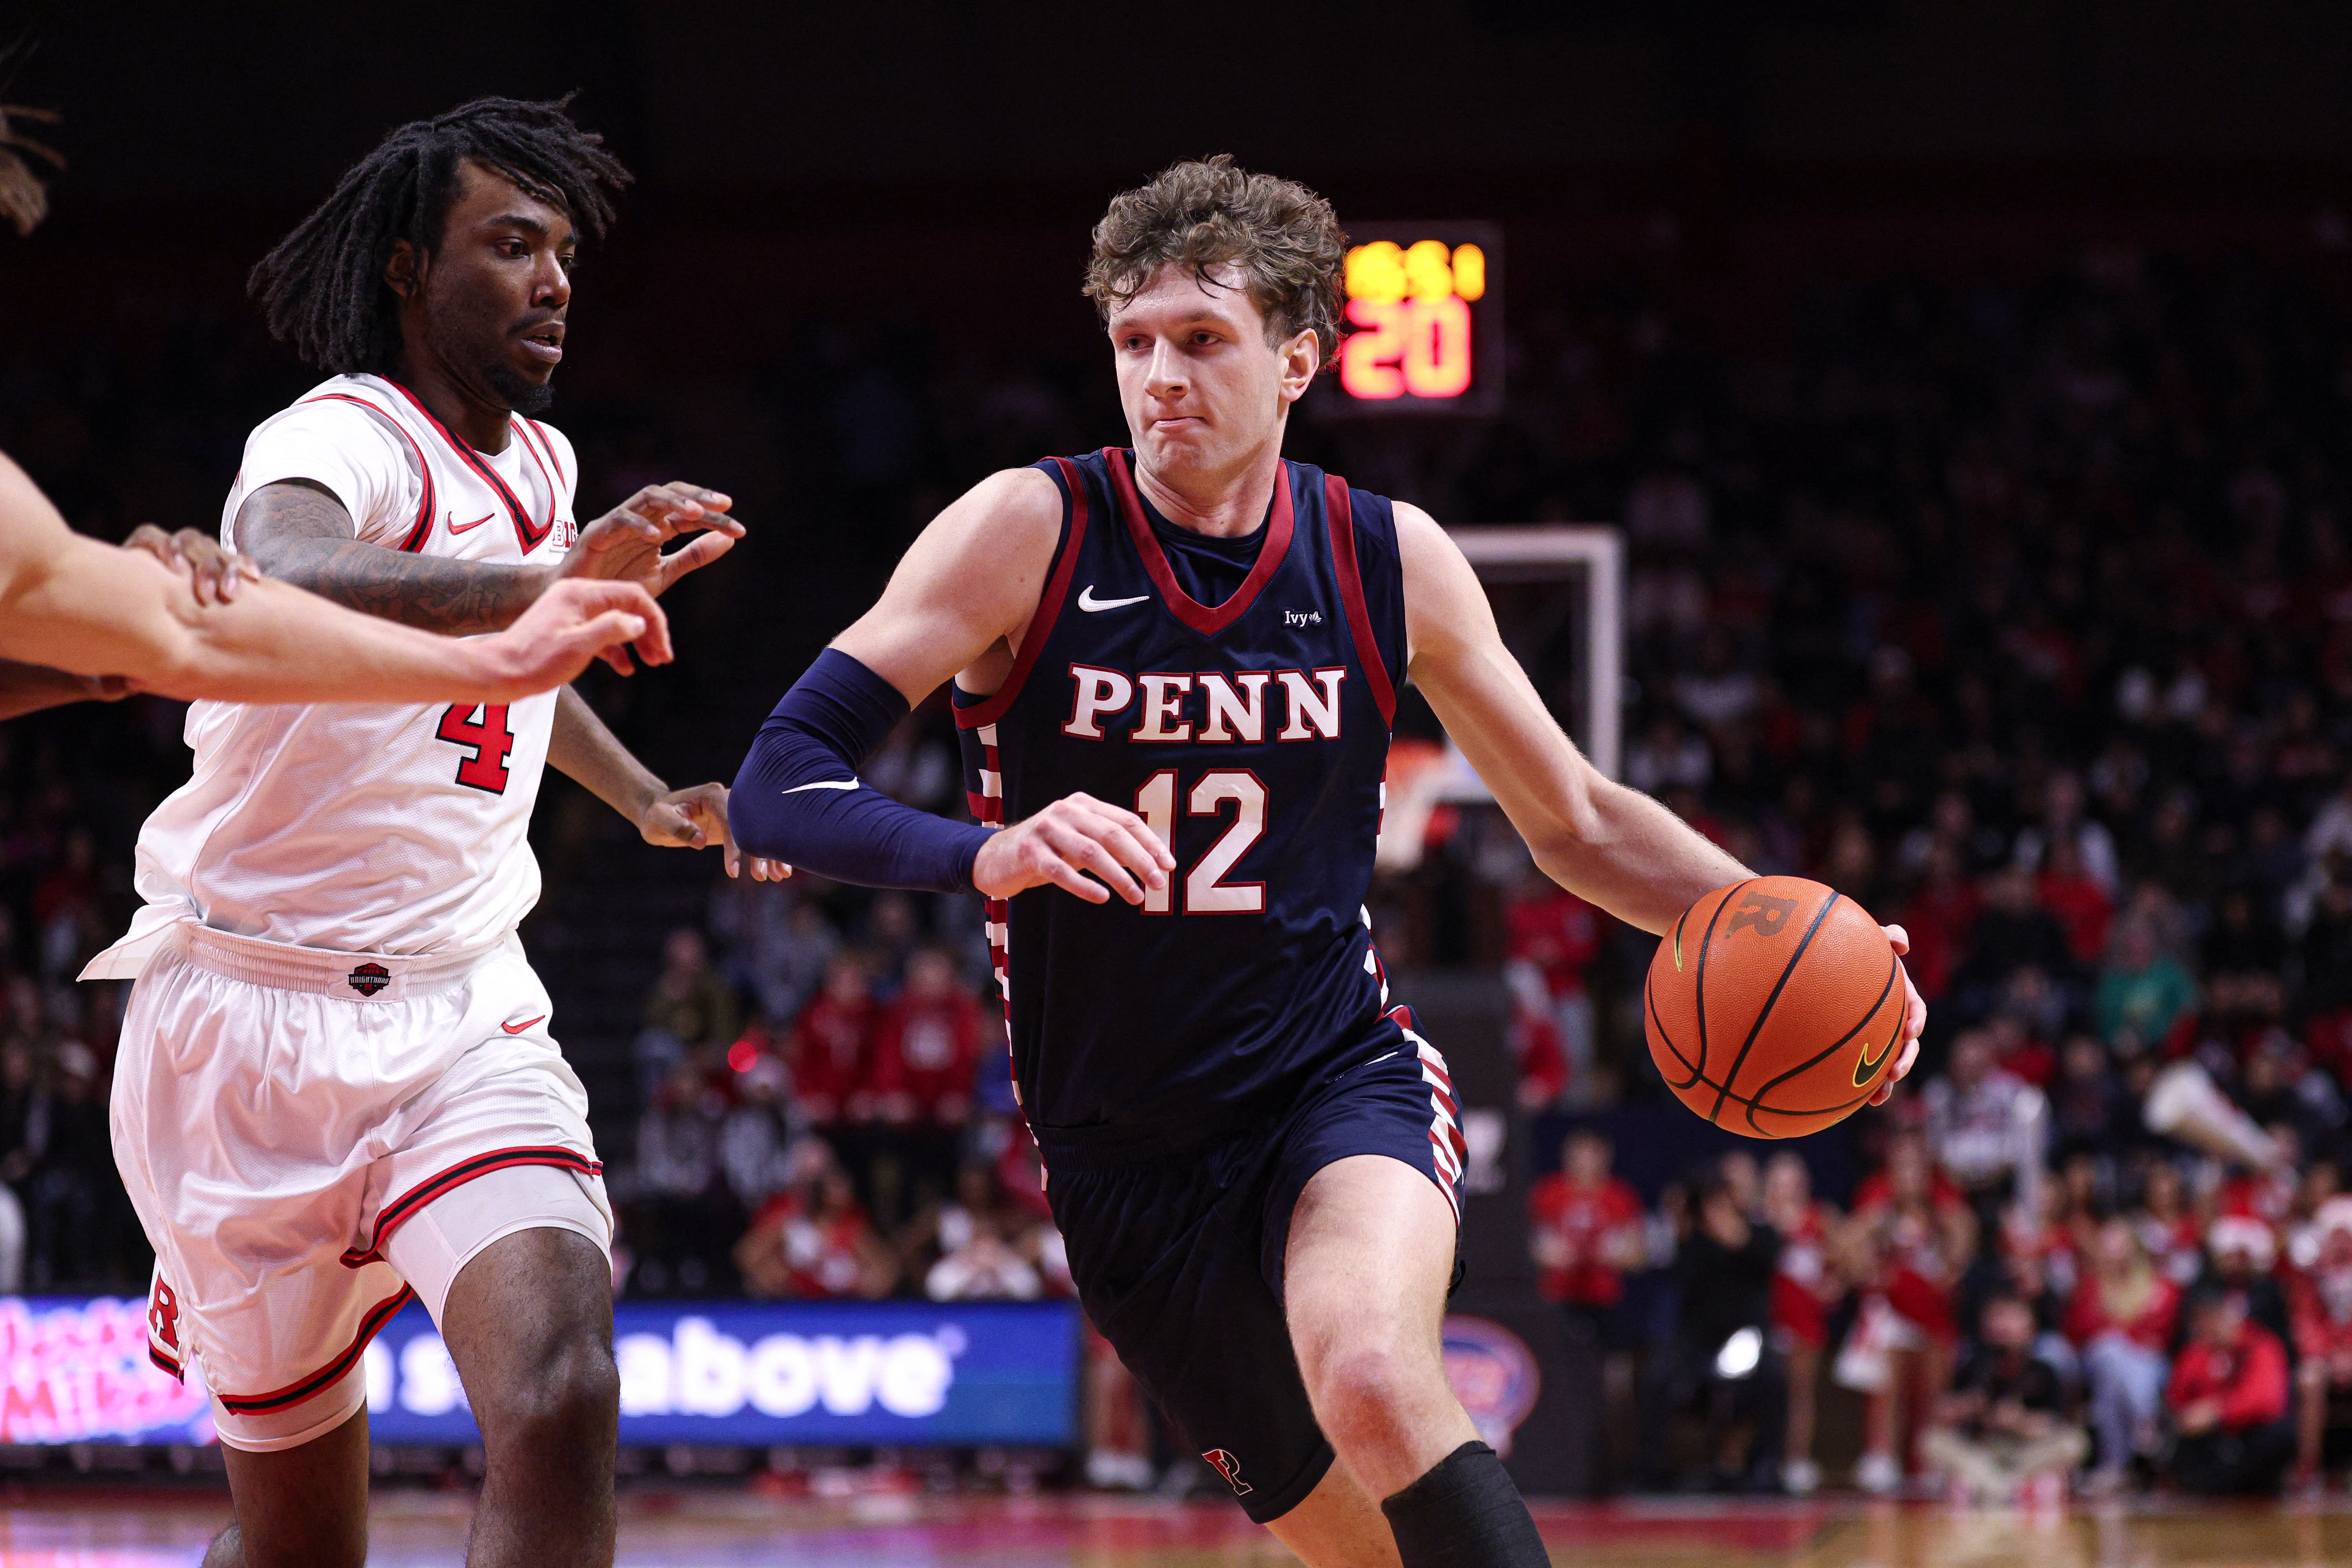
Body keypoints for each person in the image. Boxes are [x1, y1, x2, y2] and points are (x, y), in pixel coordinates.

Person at [730, 156, 1925, 1566]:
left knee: (1369, 1371)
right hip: (1121, 1157)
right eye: (1132, 342)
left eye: (1202, 340)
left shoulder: (1385, 559)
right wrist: (981, 853)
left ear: (1298, 359)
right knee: (1370, 1554)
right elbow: (776, 784)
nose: (1160, 375)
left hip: (1331, 1077)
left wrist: (1798, 923)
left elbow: (1580, 824)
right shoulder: (1030, 531)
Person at [78, 99, 780, 1568]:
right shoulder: (340, 433)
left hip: (464, 1009)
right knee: (297, 1552)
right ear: (407, 268)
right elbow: (286, 567)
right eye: (510, 243)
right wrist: (537, 597)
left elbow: (513, 683)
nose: (555, 281)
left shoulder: (543, 466)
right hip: (243, 1027)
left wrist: (641, 792)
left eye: (566, 252)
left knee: (562, 1386)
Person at [1920, 1292, 2087, 1506]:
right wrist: (1967, 1407)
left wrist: (2020, 1421)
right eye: (1998, 1317)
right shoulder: (1973, 1366)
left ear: (2030, 1327)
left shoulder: (2044, 1371)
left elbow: (2055, 1425)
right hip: (1982, 1451)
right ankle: (2012, 1488)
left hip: (2026, 1452)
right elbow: (1941, 1415)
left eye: (2012, 1318)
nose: (2004, 1327)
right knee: (1932, 1441)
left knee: (2074, 1442)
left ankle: (1992, 1488)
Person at [2065, 1216, 2180, 1495]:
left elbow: (2161, 1334)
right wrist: (2127, 1333)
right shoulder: (2091, 1287)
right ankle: (2145, 1425)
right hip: (2100, 1361)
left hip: (2149, 1365)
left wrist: (2118, 1331)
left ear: (2134, 1249)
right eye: (2107, 1246)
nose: (2113, 1252)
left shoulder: (2160, 1286)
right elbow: (2080, 1331)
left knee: (2115, 1378)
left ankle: (2115, 1466)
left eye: (2119, 1245)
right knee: (2110, 1352)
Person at [2167, 1290, 2294, 1496]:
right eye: (2203, 1321)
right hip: (2211, 1441)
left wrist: (2219, 1412)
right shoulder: (2196, 1353)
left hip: (2249, 1435)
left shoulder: (2261, 1346)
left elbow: (2267, 1400)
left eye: (2216, 1318)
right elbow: (2178, 1398)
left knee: (2279, 1434)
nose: (2211, 1326)